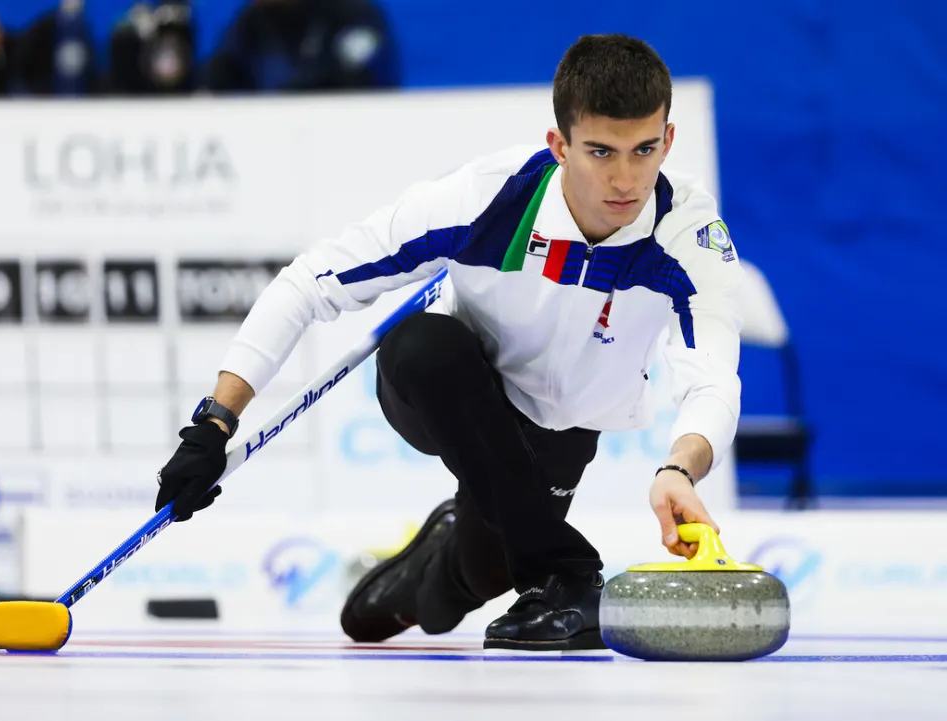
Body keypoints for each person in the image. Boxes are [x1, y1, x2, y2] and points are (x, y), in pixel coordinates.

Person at [155, 34, 743, 651]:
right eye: (601, 151)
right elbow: (309, 282)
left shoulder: (687, 235)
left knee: (471, 577)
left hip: (560, 432)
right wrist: (214, 423)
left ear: (668, 141)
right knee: (421, 346)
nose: (626, 178)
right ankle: (567, 573)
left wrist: (680, 469)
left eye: (644, 150)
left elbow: (711, 377)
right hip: (452, 392)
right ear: (560, 146)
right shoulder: (489, 198)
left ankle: (444, 552)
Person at [203, 0, 398, 93]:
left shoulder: (354, 14)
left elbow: (359, 80)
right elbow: (221, 70)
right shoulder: (251, 22)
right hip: (275, 139)